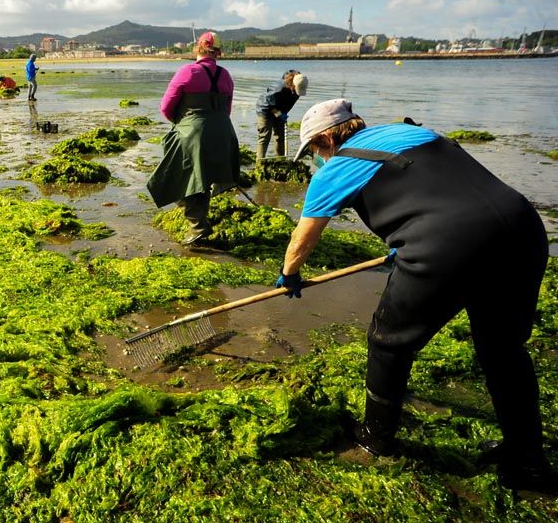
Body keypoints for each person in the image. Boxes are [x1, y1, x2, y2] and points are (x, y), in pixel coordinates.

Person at [279, 99, 553, 493]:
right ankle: (528, 461)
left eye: (316, 151)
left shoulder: (338, 167)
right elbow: (446, 191)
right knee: (504, 351)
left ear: (325, 138)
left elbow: (303, 238)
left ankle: (376, 438)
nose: (318, 159)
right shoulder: (413, 133)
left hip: (446, 244)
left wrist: (289, 274)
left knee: (388, 341)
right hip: (521, 229)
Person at [147, 31, 240, 248]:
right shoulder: (225, 75)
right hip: (224, 131)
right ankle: (200, 222)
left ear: (197, 48)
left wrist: (183, 124)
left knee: (180, 177)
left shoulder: (187, 71)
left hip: (194, 130)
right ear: (218, 51)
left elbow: (166, 108)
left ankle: (198, 226)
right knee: (203, 178)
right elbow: (227, 109)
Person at [255, 70, 308, 158]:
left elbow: (288, 103)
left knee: (280, 136)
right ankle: (260, 161)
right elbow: (269, 105)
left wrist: (283, 113)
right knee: (265, 136)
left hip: (279, 109)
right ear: (293, 85)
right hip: (265, 108)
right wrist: (280, 114)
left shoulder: (299, 85)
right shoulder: (279, 89)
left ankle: (280, 159)